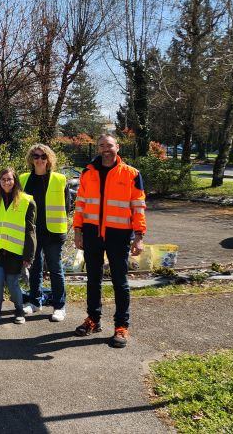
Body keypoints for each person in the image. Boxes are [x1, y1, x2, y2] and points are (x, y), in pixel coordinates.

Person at [73, 134, 146, 348]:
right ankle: (93, 320)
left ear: (118, 147)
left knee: (119, 282)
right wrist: (78, 231)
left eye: (109, 145)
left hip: (119, 234)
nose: (105, 149)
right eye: (101, 145)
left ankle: (121, 327)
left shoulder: (132, 174)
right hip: (92, 232)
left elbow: (138, 206)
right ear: (97, 148)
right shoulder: (88, 172)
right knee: (93, 279)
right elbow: (81, 204)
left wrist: (139, 236)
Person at [19, 144, 72, 322]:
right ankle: (35, 302)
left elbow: (67, 206)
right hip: (32, 233)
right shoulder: (24, 179)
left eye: (43, 156)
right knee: (35, 268)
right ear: (31, 159)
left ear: (49, 159)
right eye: (36, 156)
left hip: (54, 232)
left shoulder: (59, 179)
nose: (39, 159)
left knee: (55, 269)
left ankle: (59, 306)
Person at [0, 168, 36, 325]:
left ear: (15, 181)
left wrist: (28, 256)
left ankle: (19, 309)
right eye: (3, 179)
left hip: (16, 251)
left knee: (13, 283)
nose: (6, 182)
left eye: (9, 179)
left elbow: (30, 231)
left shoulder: (27, 201)